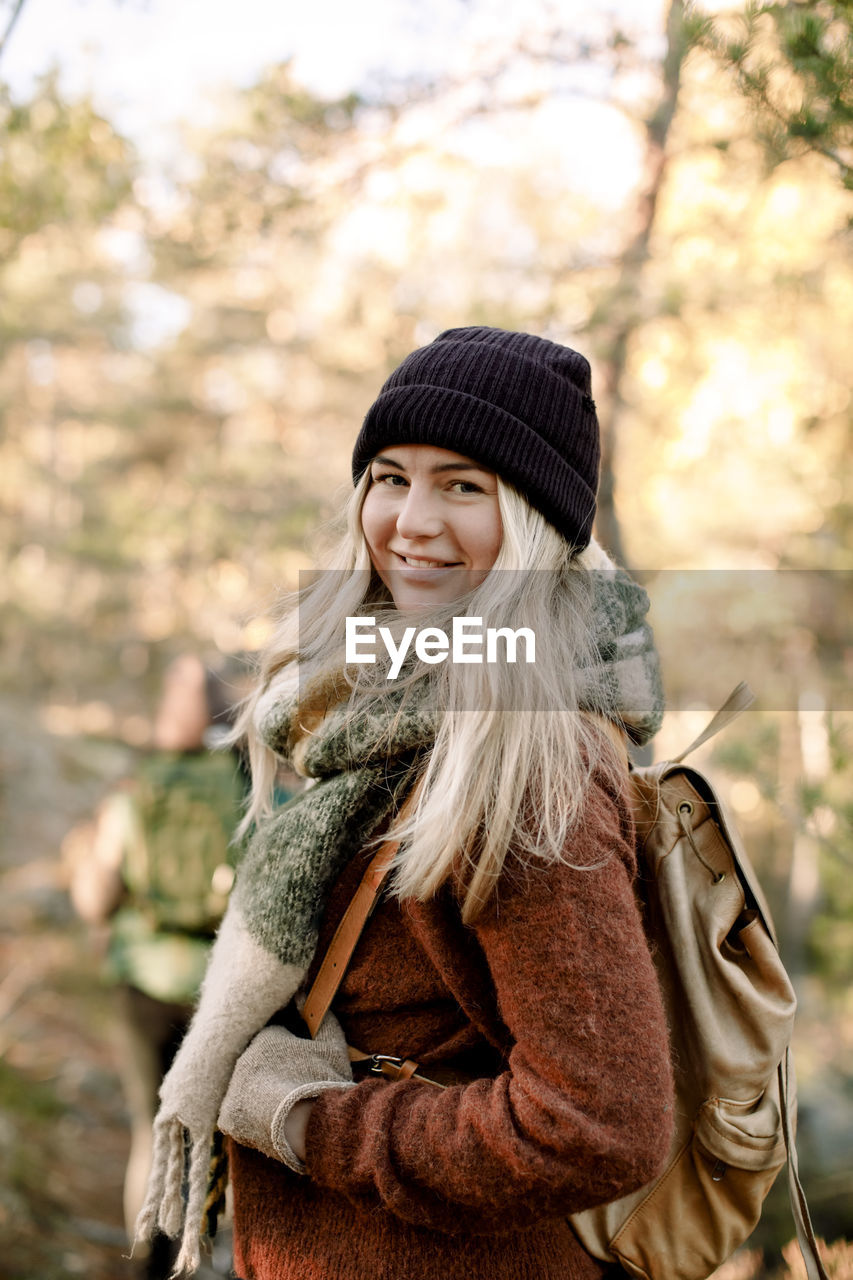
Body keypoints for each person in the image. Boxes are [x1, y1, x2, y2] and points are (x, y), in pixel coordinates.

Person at [137, 326, 675, 1279]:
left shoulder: (523, 758)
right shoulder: (387, 718)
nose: (411, 521)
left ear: (535, 522)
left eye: (463, 486)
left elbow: (599, 1124)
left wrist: (311, 1123)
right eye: (390, 476)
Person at [66, 653, 251, 1278]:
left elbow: (96, 900)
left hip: (142, 981)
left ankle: (145, 1259)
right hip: (219, 989)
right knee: (202, 1134)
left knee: (152, 1131)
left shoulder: (136, 788)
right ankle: (192, 1261)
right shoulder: (249, 784)